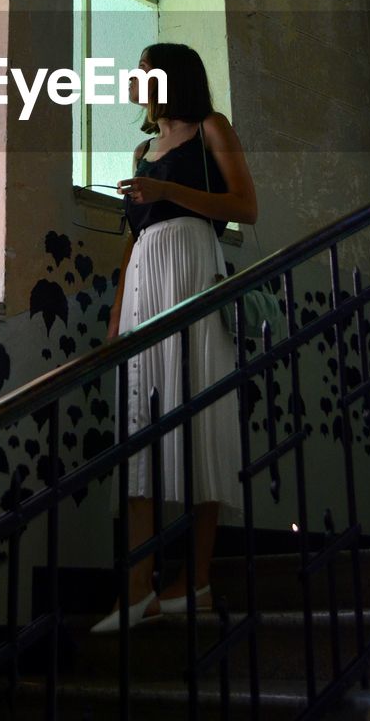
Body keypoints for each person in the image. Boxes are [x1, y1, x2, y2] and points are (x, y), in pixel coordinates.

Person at [92, 42, 257, 633]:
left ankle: (199, 581)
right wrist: (115, 322)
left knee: (200, 418)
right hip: (144, 286)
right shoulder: (141, 150)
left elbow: (246, 206)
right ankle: (137, 588)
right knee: (141, 422)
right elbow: (132, 243)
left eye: (142, 69)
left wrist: (169, 193)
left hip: (194, 275)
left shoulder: (212, 128)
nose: (134, 78)